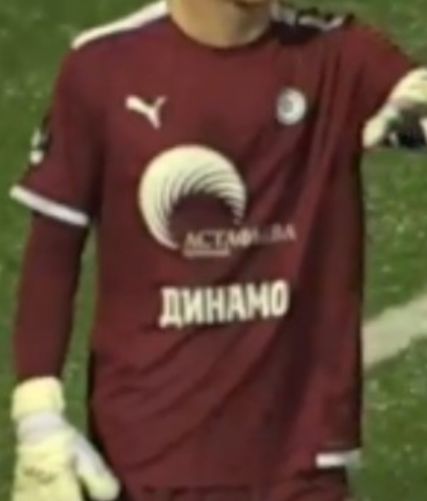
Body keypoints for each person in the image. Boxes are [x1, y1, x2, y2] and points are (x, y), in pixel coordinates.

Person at [8, 1, 427, 500]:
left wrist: (415, 110)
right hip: (150, 460)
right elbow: (53, 251)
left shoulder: (334, 52)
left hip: (299, 460)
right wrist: (37, 417)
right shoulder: (103, 66)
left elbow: (415, 92)